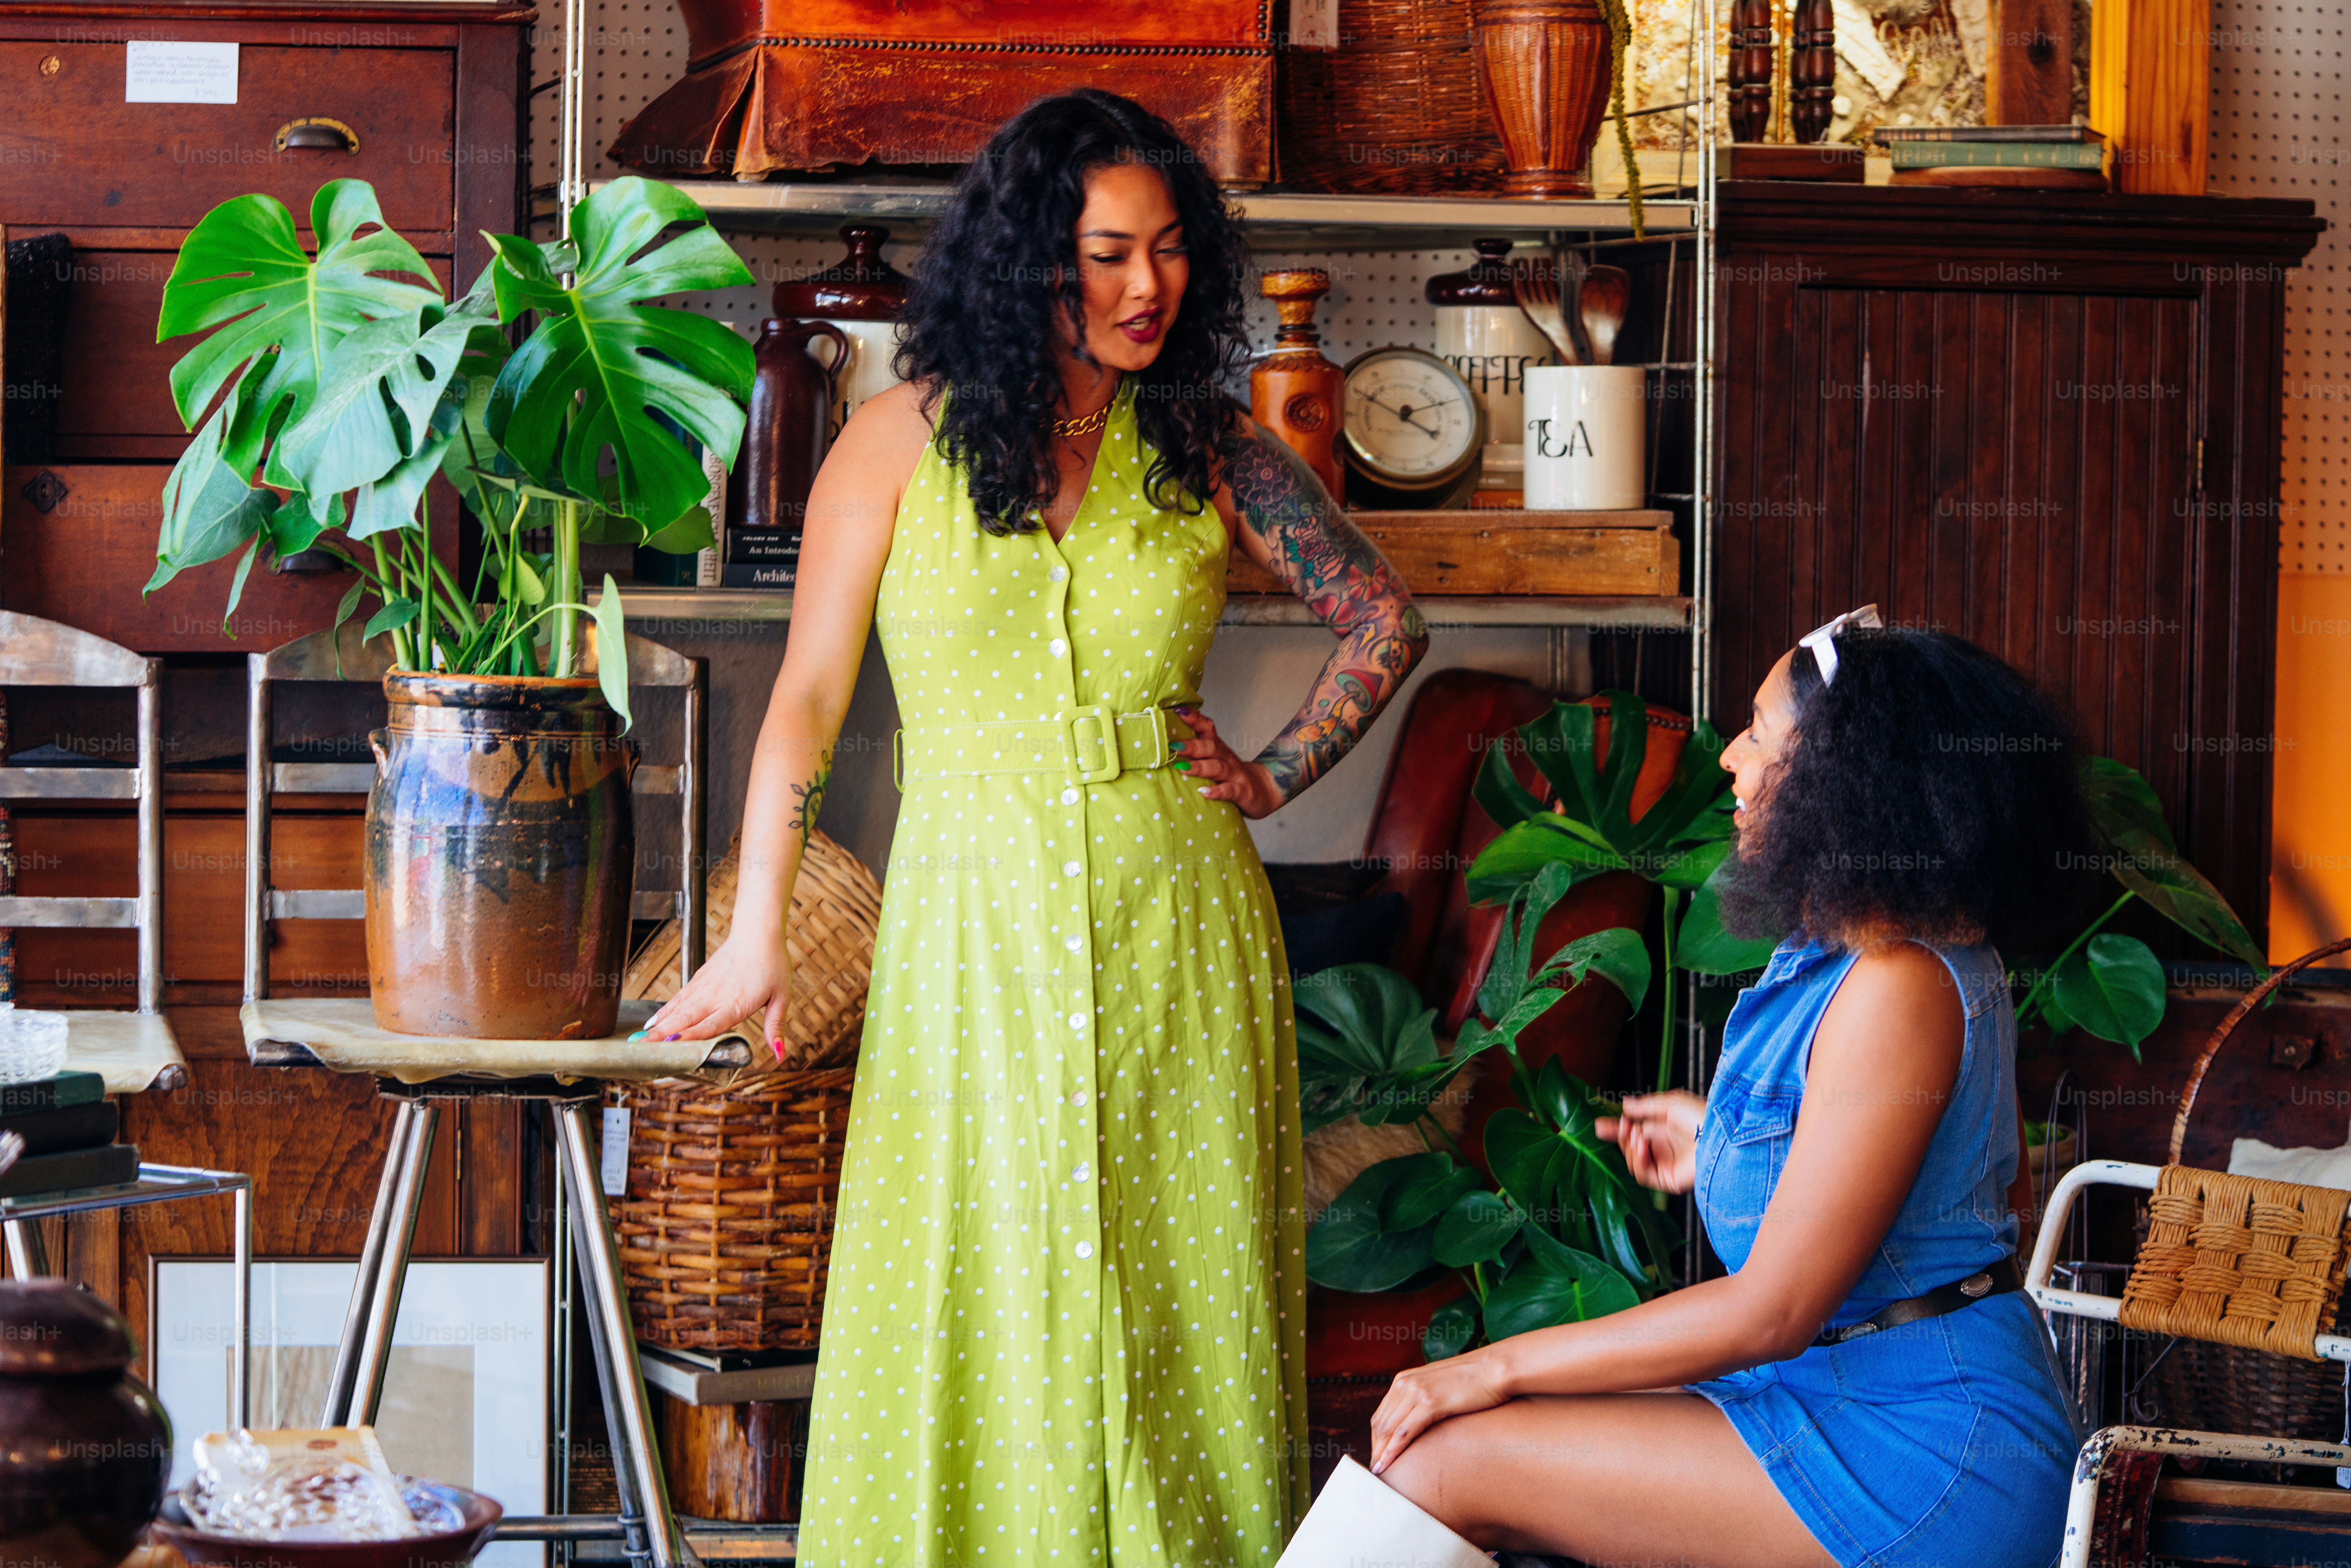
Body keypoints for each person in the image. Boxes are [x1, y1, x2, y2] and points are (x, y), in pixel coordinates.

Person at [637, 88, 1431, 1566]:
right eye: (1108, 254)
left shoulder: (1206, 446)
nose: (1149, 286)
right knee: (972, 1283)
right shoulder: (889, 445)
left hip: (1177, 929)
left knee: (1177, 1301)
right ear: (1026, 261)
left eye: (1172, 250)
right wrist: (755, 936)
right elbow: (806, 699)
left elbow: (1384, 617)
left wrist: (1274, 773)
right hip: (969, 932)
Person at [1361, 612, 2093, 1568]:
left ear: (1847, 780)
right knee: (1460, 1445)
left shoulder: (1900, 982)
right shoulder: (1868, 955)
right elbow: (1957, 1200)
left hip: (1928, 1451)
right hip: (1840, 1394)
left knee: (1443, 1465)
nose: (1731, 760)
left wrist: (1487, 1366)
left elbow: (1770, 1313)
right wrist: (1722, 1139)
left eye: (1758, 732)